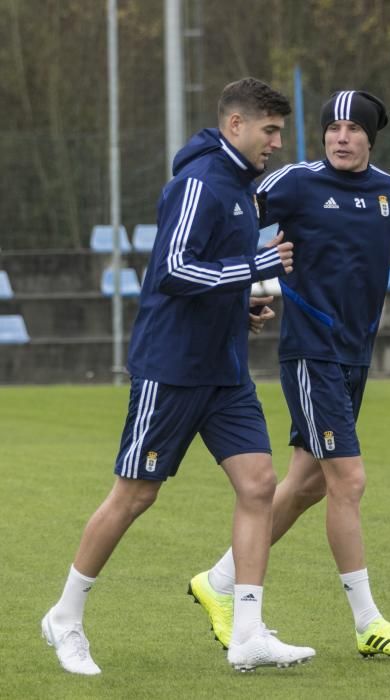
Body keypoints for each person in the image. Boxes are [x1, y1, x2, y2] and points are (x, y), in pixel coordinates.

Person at [41, 77, 316, 675]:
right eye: (269, 131)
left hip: (224, 368)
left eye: (280, 132)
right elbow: (172, 269)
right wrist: (259, 265)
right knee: (135, 494)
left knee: (259, 484)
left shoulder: (241, 188)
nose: (276, 143)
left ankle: (246, 634)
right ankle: (64, 618)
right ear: (235, 126)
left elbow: (207, 274)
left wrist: (239, 302)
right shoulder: (199, 182)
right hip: (172, 368)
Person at [189, 89, 390, 658]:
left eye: (353, 129)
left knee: (304, 484)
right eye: (333, 128)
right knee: (347, 482)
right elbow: (233, 213)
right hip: (311, 353)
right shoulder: (295, 183)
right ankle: (367, 623)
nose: (341, 138)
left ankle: (219, 581)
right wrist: (233, 277)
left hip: (356, 356)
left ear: (370, 138)